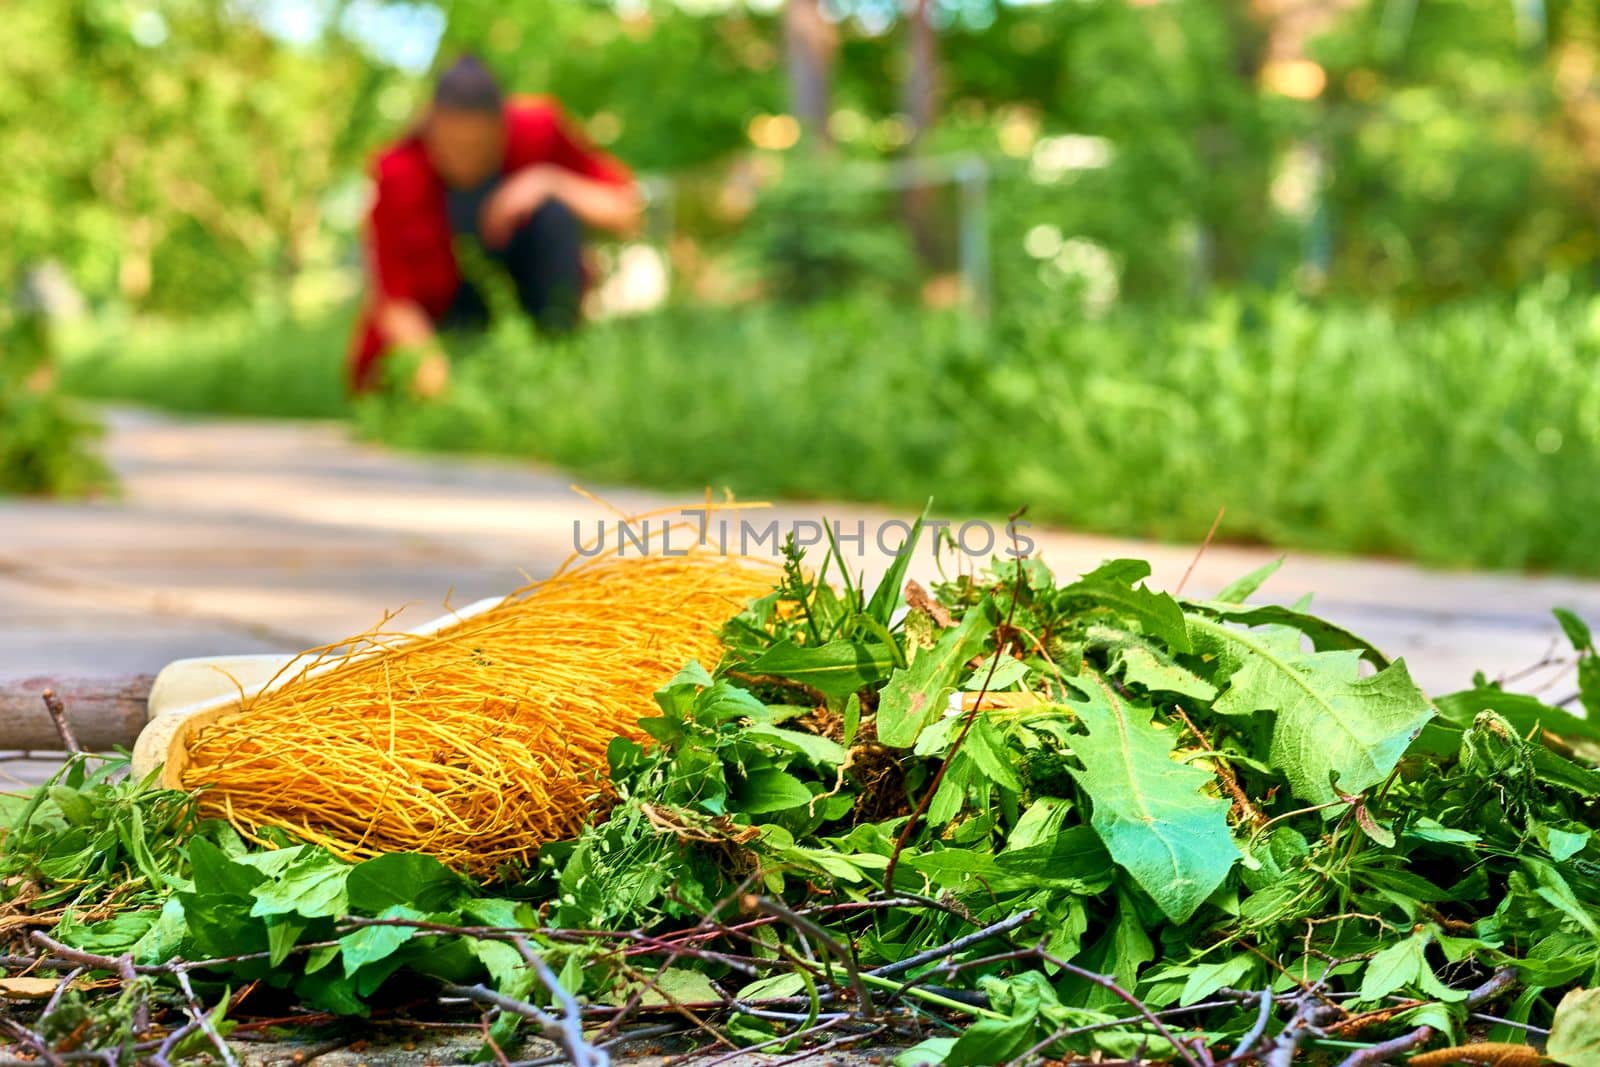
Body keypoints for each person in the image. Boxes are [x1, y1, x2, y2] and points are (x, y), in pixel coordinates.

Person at [349, 56, 641, 394]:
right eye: (452, 146)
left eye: (478, 147)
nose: (464, 159)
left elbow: (627, 209)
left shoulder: (539, 131)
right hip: (441, 322)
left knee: (554, 216)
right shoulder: (396, 171)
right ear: (431, 127)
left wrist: (548, 181)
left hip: (517, 305)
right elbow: (394, 299)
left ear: (503, 128)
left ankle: (554, 368)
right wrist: (432, 374)